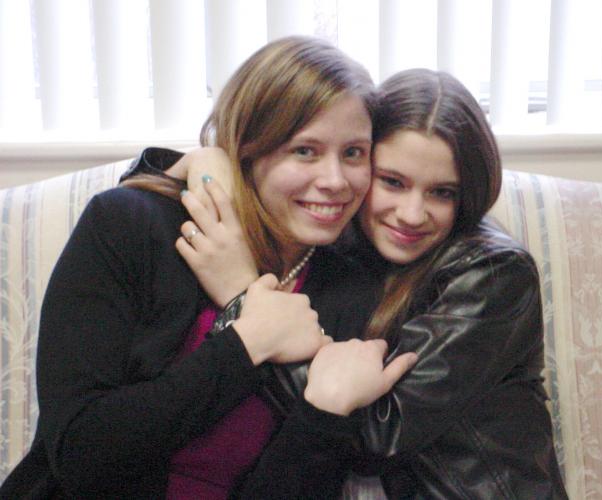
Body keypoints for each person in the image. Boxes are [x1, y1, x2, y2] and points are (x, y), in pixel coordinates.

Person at [0, 36, 417, 499]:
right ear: (248, 150)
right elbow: (80, 455)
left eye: (354, 153)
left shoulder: (350, 287)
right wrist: (247, 342)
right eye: (305, 150)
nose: (335, 181)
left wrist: (322, 412)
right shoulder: (129, 226)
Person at [145, 68, 568, 498]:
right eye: (393, 182)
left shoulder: (492, 272)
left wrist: (244, 299)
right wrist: (208, 161)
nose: (411, 214)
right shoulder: (338, 239)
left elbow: (381, 432)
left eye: (442, 192)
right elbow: (139, 206)